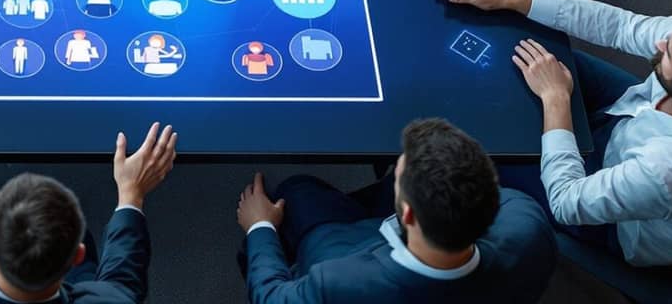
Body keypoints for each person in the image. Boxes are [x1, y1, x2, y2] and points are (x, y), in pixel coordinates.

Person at [433, 0, 672, 266]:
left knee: (480, 152)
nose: (660, 45)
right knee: (545, 57)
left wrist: (556, 100)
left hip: (626, 223)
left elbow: (565, 201)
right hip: (634, 122)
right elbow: (622, 26)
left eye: (668, 53)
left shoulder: (666, 171)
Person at [236, 118, 555, 302]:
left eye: (399, 176)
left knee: (297, 190)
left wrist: (260, 227)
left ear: (409, 214)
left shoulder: (338, 283)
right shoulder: (527, 222)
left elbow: (271, 296)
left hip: (340, 246)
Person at [0, 123, 177, 303]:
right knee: (88, 277)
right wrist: (131, 193)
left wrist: (131, 194)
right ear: (76, 256)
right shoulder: (110, 299)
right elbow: (123, 276)